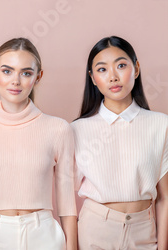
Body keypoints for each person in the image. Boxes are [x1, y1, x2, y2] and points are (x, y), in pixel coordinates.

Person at [0, 38, 77, 250]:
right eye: (7, 71)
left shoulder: (58, 129)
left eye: (26, 73)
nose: (16, 81)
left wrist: (72, 247)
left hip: (44, 235)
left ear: (38, 77)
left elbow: (67, 201)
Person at [72, 36, 168, 249]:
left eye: (121, 65)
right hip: (95, 230)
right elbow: (65, 196)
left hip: (144, 231)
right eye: (102, 69)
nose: (113, 77)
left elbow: (165, 197)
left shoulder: (160, 125)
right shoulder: (77, 130)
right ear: (93, 78)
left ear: (136, 69)